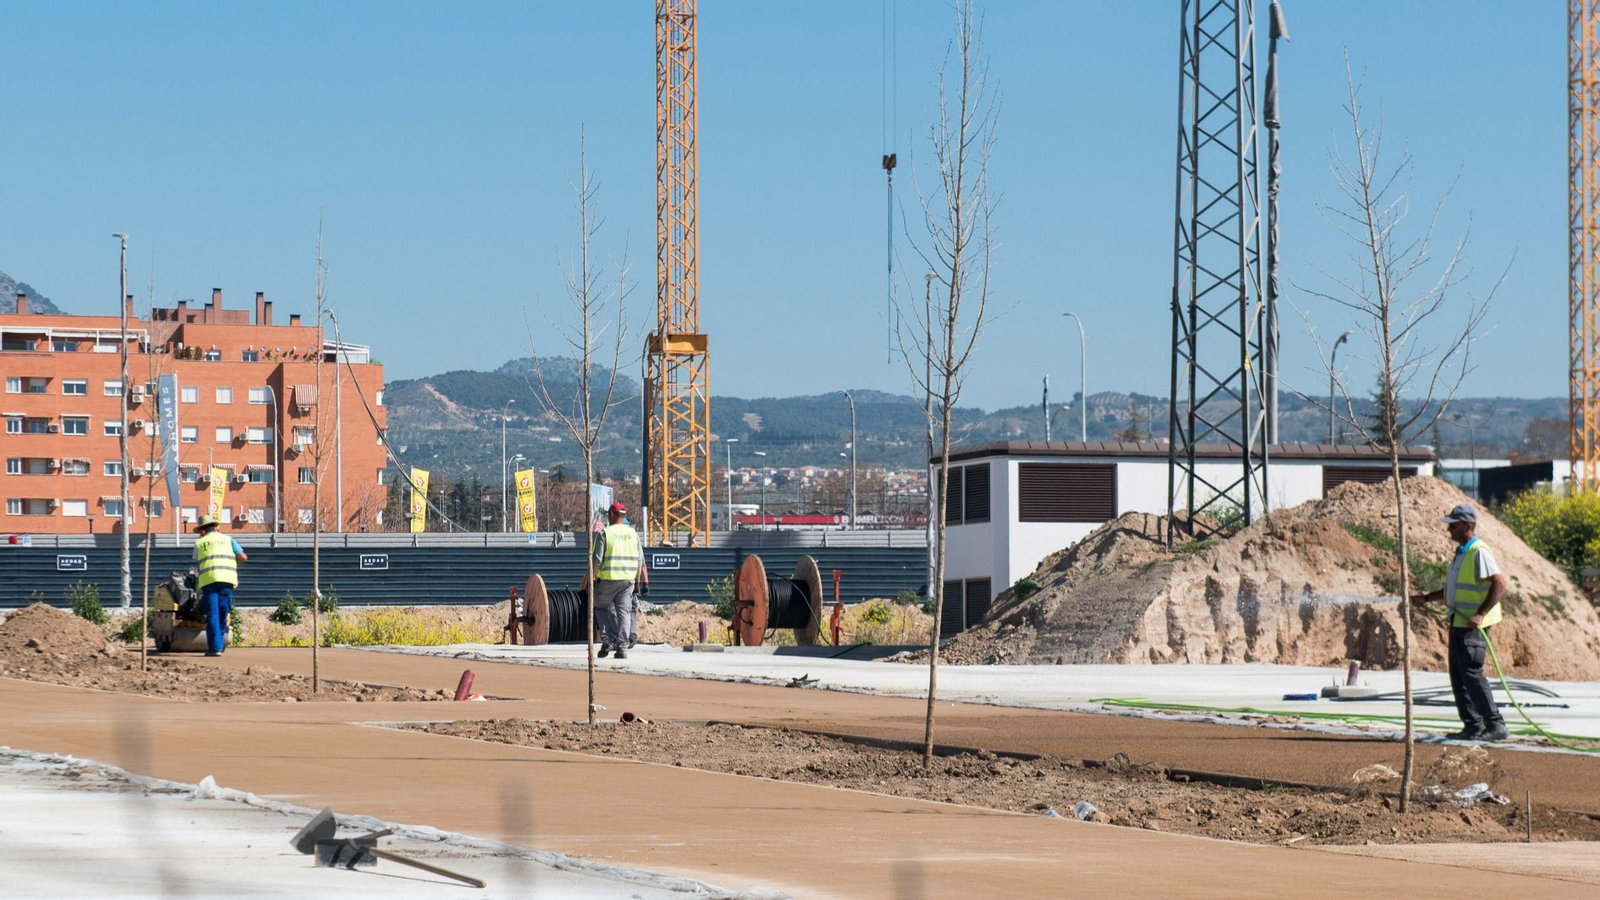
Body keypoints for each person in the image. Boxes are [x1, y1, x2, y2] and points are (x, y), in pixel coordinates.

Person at [1408, 503, 1509, 742]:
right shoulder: (1462, 552)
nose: (1449, 530)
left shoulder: (1478, 551)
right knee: (1459, 674)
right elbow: (1452, 590)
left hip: (1473, 625)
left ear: (1468, 526)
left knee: (1471, 673)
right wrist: (1426, 598)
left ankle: (1495, 724)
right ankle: (1472, 725)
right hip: (1459, 621)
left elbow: (1500, 584)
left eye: (1453, 525)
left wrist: (1480, 614)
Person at [590, 501, 645, 660]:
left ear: (612, 515)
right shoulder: (633, 534)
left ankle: (606, 639)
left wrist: (593, 577)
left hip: (608, 579)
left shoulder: (604, 534)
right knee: (624, 613)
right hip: (628, 580)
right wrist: (637, 581)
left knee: (600, 608)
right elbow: (639, 561)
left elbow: (597, 560)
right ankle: (622, 649)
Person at [193, 514, 247, 657]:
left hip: (209, 582)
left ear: (202, 531)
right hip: (227, 580)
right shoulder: (228, 539)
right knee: (224, 612)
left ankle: (215, 648)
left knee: (212, 614)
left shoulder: (200, 543)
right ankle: (220, 645)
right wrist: (231, 563)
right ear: (216, 527)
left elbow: (198, 560)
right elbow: (243, 557)